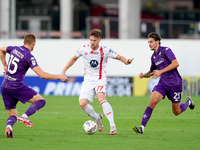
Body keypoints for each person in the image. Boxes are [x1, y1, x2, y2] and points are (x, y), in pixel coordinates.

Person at [61, 29, 133, 135]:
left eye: (94, 40)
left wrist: (126, 61)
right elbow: (73, 58)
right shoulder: (83, 49)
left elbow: (118, 56)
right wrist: (64, 70)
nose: (92, 42)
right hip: (88, 80)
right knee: (82, 104)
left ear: (99, 40)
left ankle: (112, 126)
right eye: (90, 40)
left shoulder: (105, 50)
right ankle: (97, 117)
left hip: (100, 78)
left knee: (101, 98)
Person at [0, 33, 68, 138]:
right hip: (16, 86)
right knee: (41, 101)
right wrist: (58, 77)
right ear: (33, 43)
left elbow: (1, 49)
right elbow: (42, 74)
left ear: (23, 42)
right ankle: (24, 117)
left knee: (13, 114)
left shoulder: (14, 49)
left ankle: (9, 127)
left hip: (5, 86)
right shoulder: (29, 56)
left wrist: (5, 65)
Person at [132, 32, 195, 135]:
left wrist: (160, 71)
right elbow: (152, 72)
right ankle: (142, 128)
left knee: (176, 112)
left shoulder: (166, 50)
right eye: (148, 42)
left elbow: (176, 63)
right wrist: (144, 75)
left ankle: (188, 102)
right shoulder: (153, 57)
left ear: (157, 42)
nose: (149, 44)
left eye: (151, 42)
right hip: (163, 84)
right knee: (152, 102)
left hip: (175, 83)